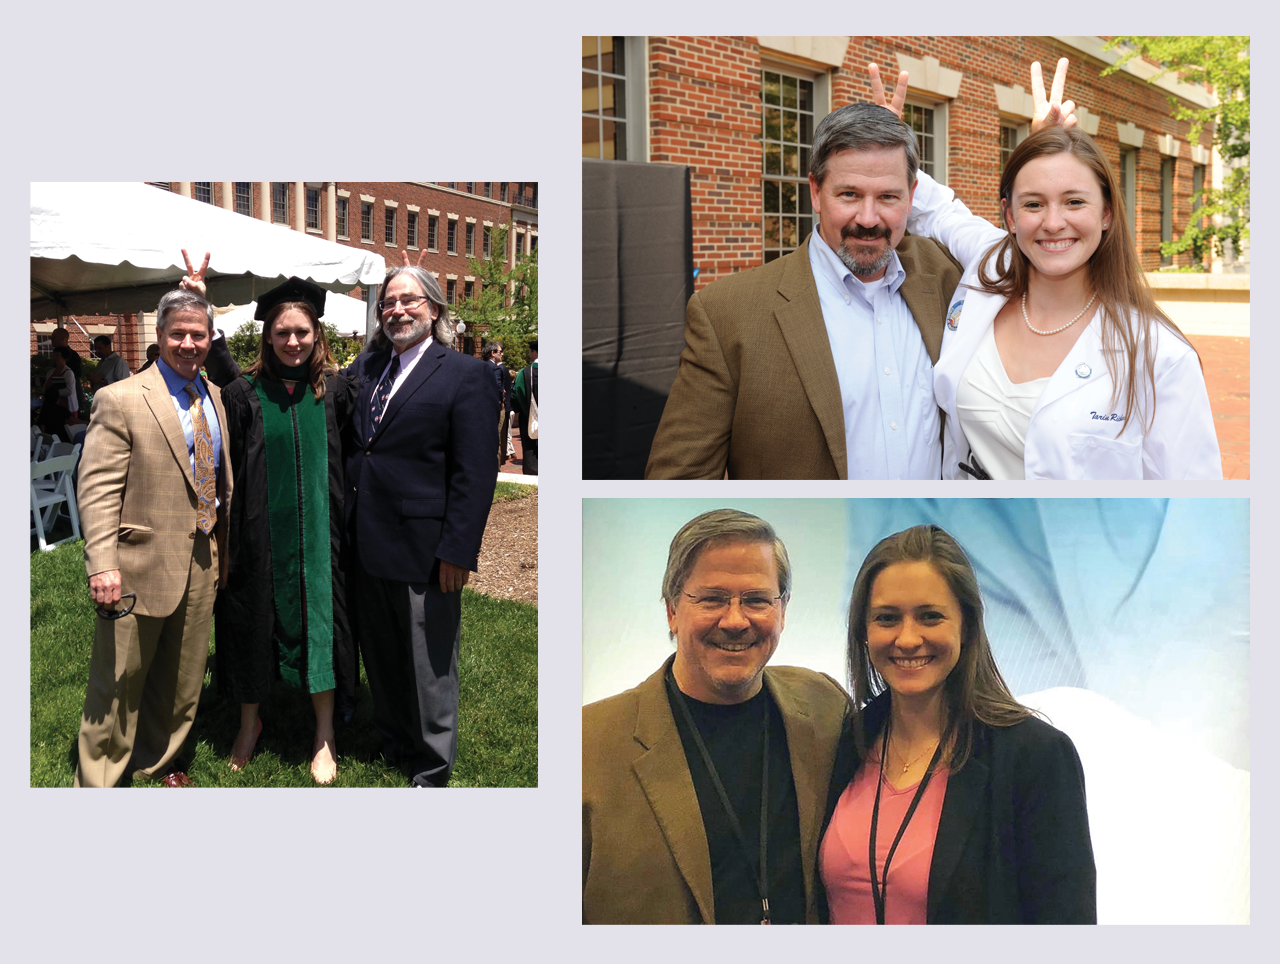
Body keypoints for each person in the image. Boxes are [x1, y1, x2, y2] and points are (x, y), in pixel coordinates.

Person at [903, 60, 1221, 479]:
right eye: (1033, 204)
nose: (1053, 223)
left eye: (1074, 201)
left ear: (1107, 213)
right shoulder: (987, 265)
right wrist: (890, 149)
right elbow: (934, 208)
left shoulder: (1160, 358)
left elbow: (1192, 501)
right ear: (1011, 216)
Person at [645, 92, 963, 479]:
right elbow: (679, 481)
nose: (867, 217)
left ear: (912, 197)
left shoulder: (945, 277)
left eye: (887, 197)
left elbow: (1026, 255)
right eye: (849, 194)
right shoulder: (726, 314)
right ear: (815, 191)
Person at [583, 509, 849, 924]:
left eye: (757, 600)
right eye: (712, 599)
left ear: (783, 610)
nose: (736, 620)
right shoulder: (586, 744)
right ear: (672, 609)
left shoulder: (826, 706)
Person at [819, 524, 1096, 923]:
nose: (908, 638)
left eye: (930, 617)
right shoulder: (844, 742)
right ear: (863, 630)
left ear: (966, 625)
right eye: (887, 618)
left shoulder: (1035, 756)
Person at [200, 271, 359, 785]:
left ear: (318, 335)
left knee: (323, 625)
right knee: (251, 625)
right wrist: (202, 306)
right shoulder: (248, 393)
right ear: (268, 335)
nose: (293, 341)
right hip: (257, 537)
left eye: (303, 332)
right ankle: (250, 724)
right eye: (283, 332)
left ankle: (324, 734)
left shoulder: (336, 391)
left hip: (323, 538)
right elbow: (219, 374)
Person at [346, 265, 500, 787]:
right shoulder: (367, 373)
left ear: (433, 309)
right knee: (384, 657)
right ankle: (394, 742)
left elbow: (474, 474)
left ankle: (432, 767)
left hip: (426, 549)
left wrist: (458, 549)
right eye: (388, 302)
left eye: (409, 300)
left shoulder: (466, 374)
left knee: (429, 664)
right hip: (367, 543)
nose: (397, 310)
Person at [73, 287, 231, 787]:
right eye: (178, 334)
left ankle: (158, 761)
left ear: (211, 339)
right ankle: (99, 780)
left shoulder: (216, 397)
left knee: (182, 681)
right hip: (137, 563)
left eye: (198, 334)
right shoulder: (119, 398)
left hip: (203, 557)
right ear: (159, 336)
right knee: (118, 684)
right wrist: (101, 563)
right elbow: (97, 488)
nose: (188, 343)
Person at [482, 342, 513, 467]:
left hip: (483, 408)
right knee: (498, 438)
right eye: (500, 351)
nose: (502, 354)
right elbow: (498, 388)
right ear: (492, 353)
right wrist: (501, 401)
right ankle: (496, 467)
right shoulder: (495, 368)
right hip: (495, 407)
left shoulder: (481, 366)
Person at [510, 338, 538, 475]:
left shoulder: (524, 373)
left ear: (534, 352)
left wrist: (527, 412)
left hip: (530, 419)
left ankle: (532, 472)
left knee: (530, 449)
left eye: (530, 352)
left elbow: (516, 395)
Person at [40, 349, 78, 442]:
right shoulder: (51, 371)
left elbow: (69, 390)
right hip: (51, 406)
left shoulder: (69, 373)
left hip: (65, 405)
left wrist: (53, 393)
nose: (55, 358)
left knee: (67, 430)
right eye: (54, 355)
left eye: (58, 355)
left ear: (64, 358)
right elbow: (45, 386)